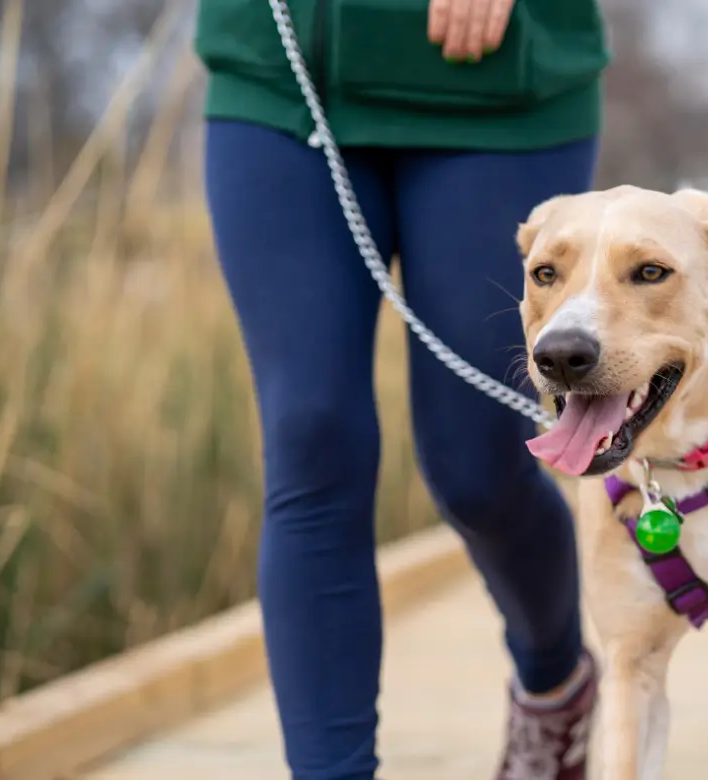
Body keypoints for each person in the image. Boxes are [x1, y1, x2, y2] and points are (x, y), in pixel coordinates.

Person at [194, 0, 609, 777]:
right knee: (311, 437)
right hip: (281, 86)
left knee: (478, 468)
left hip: (499, 88)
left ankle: (557, 684)